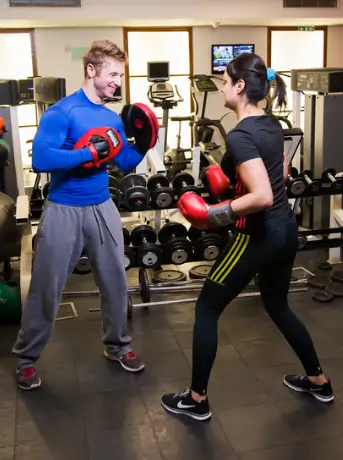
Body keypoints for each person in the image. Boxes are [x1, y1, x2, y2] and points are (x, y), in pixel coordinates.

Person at [161, 52, 334, 421]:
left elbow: (263, 195)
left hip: (255, 236)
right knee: (277, 306)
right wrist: (230, 187)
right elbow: (282, 175)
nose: (222, 86)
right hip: (285, 231)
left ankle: (197, 399)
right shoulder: (271, 124)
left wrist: (213, 214)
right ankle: (318, 380)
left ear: (240, 87)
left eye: (225, 81)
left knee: (207, 308)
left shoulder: (240, 136)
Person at [13, 39, 148, 390]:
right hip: (64, 209)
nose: (118, 81)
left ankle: (117, 345)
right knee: (46, 285)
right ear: (92, 69)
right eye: (113, 74)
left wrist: (144, 145)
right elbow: (41, 159)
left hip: (102, 206)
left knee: (116, 281)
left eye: (121, 74)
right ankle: (27, 358)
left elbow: (122, 163)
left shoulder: (109, 117)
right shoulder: (62, 112)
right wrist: (86, 152)